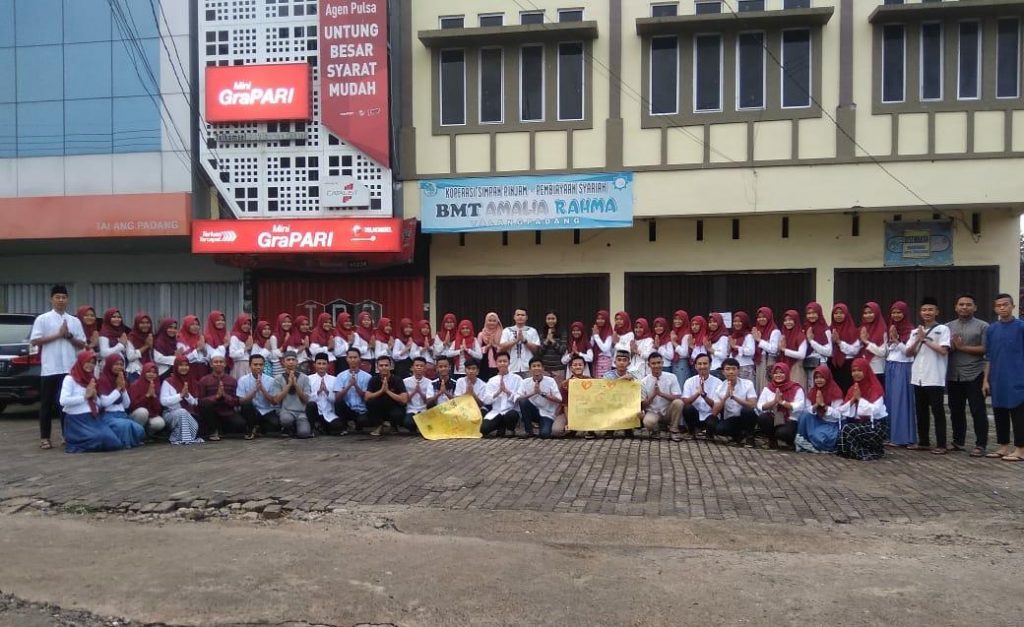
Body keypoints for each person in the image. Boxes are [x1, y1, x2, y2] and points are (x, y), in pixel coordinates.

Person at [30, 285, 87, 450]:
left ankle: (66, 435)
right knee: (46, 404)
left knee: (65, 405)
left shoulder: (74, 321)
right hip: (50, 368)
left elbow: (82, 344)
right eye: (57, 297)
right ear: (51, 299)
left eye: (63, 297)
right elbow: (35, 341)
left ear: (67, 300)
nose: (61, 300)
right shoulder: (43, 319)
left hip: (69, 369)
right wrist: (57, 335)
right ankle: (45, 438)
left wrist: (68, 336)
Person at [905, 297, 951, 454]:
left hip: (934, 376)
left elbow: (943, 350)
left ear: (937, 311)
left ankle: (941, 444)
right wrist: (917, 340)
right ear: (920, 312)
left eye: (930, 309)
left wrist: (924, 340)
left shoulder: (943, 329)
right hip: (918, 376)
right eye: (924, 310)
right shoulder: (914, 332)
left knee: (938, 412)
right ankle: (924, 442)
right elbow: (908, 352)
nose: (927, 312)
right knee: (921, 411)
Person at [945, 294, 989, 456]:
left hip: (974, 373)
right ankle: (958, 441)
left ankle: (981, 444)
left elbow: (985, 349)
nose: (964, 307)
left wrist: (962, 347)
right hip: (953, 374)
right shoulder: (947, 327)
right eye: (961, 304)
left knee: (977, 410)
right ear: (956, 307)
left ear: (975, 307)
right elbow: (944, 348)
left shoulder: (983, 326)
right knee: (956, 410)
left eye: (968, 304)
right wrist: (950, 346)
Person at [982, 294, 1024, 462]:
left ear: (1013, 306)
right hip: (997, 377)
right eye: (998, 305)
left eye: (1005, 304)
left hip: (1018, 376)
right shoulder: (992, 329)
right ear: (995, 308)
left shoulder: (1021, 327)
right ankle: (1004, 446)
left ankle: (1020, 449)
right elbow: (989, 357)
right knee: (1000, 411)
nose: (1002, 308)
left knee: (1018, 413)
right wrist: (985, 380)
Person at [59, 351, 123, 453]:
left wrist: (95, 397)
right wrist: (85, 397)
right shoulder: (70, 379)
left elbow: (99, 404)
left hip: (93, 418)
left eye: (93, 363)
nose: (90, 365)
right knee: (99, 438)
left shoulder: (92, 379)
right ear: (81, 362)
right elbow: (63, 401)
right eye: (87, 362)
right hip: (77, 420)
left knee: (113, 442)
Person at [836, 358, 888, 461]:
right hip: (861, 424)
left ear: (866, 371)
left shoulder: (875, 387)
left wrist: (860, 399)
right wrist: (853, 400)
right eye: (853, 371)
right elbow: (842, 410)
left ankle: (865, 452)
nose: (856, 373)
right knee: (845, 429)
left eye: (860, 370)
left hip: (876, 425)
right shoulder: (853, 389)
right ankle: (860, 451)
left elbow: (875, 410)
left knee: (849, 429)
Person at [884, 301, 917, 448]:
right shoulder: (891, 328)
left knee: (901, 402)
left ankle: (902, 437)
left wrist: (897, 341)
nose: (896, 315)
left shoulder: (911, 331)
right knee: (891, 402)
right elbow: (887, 352)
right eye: (893, 312)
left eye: (899, 312)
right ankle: (891, 435)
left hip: (903, 367)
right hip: (890, 365)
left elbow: (908, 352)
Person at [95, 355, 145, 449]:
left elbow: (126, 405)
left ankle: (128, 441)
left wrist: (123, 389)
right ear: (109, 365)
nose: (119, 367)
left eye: (121, 364)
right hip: (108, 416)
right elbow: (105, 403)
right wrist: (118, 388)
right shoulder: (103, 380)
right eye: (116, 364)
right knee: (124, 426)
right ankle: (124, 444)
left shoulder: (121, 379)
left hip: (122, 415)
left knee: (139, 429)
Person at [708, 357, 759, 446]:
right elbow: (714, 412)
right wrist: (725, 397)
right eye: (728, 369)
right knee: (720, 429)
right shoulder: (720, 388)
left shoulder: (748, 384)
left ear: (738, 371)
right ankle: (738, 435)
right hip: (732, 418)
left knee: (747, 411)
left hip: (747, 417)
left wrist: (734, 397)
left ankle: (750, 437)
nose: (731, 372)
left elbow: (752, 404)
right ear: (723, 372)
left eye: (733, 369)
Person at [794, 365, 845, 453]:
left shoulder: (835, 391)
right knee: (805, 415)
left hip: (831, 424)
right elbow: (807, 409)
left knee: (821, 438)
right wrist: (816, 405)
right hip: (817, 421)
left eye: (822, 377)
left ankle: (811, 443)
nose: (819, 380)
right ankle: (804, 441)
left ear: (827, 378)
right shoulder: (813, 391)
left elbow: (839, 415)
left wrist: (824, 406)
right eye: (816, 378)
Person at [755, 363, 805, 450]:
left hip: (790, 419)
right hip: (774, 417)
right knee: (763, 418)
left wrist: (783, 402)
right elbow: (760, 405)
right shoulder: (768, 388)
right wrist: (774, 402)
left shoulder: (796, 388)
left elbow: (800, 406)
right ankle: (772, 440)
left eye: (781, 372)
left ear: (787, 373)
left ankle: (790, 442)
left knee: (782, 433)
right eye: (776, 373)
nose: (778, 375)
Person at [196, 354, 244, 441]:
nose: (218, 364)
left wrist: (224, 396)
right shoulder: (204, 380)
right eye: (216, 362)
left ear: (225, 364)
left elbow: (236, 401)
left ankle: (222, 430)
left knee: (240, 424)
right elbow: (200, 401)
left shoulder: (232, 380)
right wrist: (216, 397)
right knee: (205, 404)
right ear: (211, 364)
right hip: (210, 414)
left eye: (221, 362)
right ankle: (213, 431)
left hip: (227, 413)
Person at [159, 355, 203, 445]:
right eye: (181, 365)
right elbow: (163, 401)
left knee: (194, 425)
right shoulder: (168, 381)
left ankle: (181, 436)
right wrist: (180, 395)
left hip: (189, 413)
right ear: (176, 366)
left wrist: (187, 396)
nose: (184, 368)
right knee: (181, 412)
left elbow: (195, 402)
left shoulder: (192, 382)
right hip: (170, 414)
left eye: (186, 365)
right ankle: (183, 438)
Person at [516, 357, 563, 439]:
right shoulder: (525, 382)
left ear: (543, 368)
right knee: (523, 402)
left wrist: (542, 394)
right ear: (530, 369)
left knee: (544, 434)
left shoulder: (550, 381)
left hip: (547, 413)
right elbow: (517, 398)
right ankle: (528, 431)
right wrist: (533, 393)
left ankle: (544, 425)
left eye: (538, 366)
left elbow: (559, 399)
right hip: (534, 412)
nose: (536, 368)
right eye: (534, 366)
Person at [640, 353, 683, 441]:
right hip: (653, 412)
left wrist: (661, 394)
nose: (656, 366)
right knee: (648, 422)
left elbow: (678, 397)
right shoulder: (644, 382)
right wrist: (653, 395)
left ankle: (674, 430)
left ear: (663, 363)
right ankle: (655, 430)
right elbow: (643, 405)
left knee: (679, 403)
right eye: (653, 363)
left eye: (659, 363)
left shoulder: (671, 377)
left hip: (668, 412)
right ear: (649, 365)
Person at [236, 354, 279, 439]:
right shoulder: (243, 380)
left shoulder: (271, 380)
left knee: (276, 424)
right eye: (255, 365)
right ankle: (251, 429)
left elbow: (274, 402)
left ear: (264, 366)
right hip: (250, 411)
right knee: (246, 406)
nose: (258, 367)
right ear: (250, 366)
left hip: (266, 411)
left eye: (261, 365)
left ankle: (259, 428)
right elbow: (241, 401)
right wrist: (255, 390)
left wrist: (262, 389)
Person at [365, 355, 408, 437]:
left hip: (393, 407)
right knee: (369, 403)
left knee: (398, 413)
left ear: (391, 367)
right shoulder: (374, 380)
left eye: (386, 365)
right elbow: (367, 397)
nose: (384, 367)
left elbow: (404, 400)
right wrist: (381, 391)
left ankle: (394, 426)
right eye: (381, 365)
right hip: (379, 408)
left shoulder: (397, 380)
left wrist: (387, 391)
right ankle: (379, 425)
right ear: (377, 367)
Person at [681, 355, 722, 439]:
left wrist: (704, 395)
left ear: (710, 365)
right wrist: (697, 394)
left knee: (712, 422)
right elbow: (685, 402)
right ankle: (692, 431)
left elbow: (717, 406)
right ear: (695, 366)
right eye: (699, 364)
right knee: (687, 408)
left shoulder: (718, 382)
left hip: (710, 415)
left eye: (705, 363)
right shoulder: (689, 381)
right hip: (695, 416)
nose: (702, 366)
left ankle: (708, 433)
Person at [272, 351, 312, 438]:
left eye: (293, 360)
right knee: (286, 420)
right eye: (288, 360)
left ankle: (296, 428)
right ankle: (288, 428)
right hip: (286, 411)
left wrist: (296, 385)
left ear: (297, 362)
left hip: (301, 412)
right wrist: (289, 385)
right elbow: (276, 400)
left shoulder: (304, 378)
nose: (291, 362)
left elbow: (306, 399)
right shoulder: (278, 378)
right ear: (283, 362)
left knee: (304, 433)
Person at [333, 348, 373, 433]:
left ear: (359, 359)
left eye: (355, 357)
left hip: (361, 410)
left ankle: (357, 423)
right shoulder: (340, 376)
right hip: (347, 409)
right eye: (350, 357)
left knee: (362, 421)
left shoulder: (367, 377)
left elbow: (366, 397)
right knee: (338, 403)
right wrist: (349, 386)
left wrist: (356, 385)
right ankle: (344, 425)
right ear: (346, 359)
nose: (353, 360)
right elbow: (337, 398)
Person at [481, 352, 520, 437]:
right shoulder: (492, 380)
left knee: (512, 415)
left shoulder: (517, 379)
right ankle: (501, 426)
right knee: (484, 429)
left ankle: (510, 429)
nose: (502, 363)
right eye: (500, 361)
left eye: (505, 361)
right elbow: (486, 400)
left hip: (510, 411)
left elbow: (519, 398)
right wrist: (498, 392)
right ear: (496, 363)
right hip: (496, 412)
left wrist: (507, 391)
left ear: (509, 362)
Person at [306, 353, 344, 435]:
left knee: (338, 427)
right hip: (315, 413)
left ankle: (323, 427)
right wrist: (318, 391)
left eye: (324, 364)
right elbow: (306, 399)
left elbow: (335, 400)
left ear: (328, 365)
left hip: (329, 413)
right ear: (314, 365)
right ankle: (312, 429)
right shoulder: (308, 379)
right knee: (311, 405)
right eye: (319, 364)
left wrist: (326, 391)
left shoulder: (334, 380)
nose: (321, 366)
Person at [602, 349, 638, 438]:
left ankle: (628, 428)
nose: (621, 363)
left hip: (626, 402)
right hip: (611, 401)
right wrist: (622, 379)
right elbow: (606, 390)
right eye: (619, 360)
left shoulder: (633, 376)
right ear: (615, 362)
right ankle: (610, 429)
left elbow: (635, 394)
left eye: (624, 360)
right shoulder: (608, 375)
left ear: (629, 363)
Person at [127, 362, 167, 437]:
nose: (151, 374)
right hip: (136, 415)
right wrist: (147, 396)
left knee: (160, 423)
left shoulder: (157, 385)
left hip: (151, 415)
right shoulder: (135, 385)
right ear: (143, 372)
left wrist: (154, 397)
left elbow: (158, 410)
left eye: (154, 373)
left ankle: (146, 435)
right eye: (148, 372)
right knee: (143, 412)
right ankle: (136, 434)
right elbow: (132, 406)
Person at [829, 303, 861, 393]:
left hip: (847, 365)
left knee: (847, 391)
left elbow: (854, 351)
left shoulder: (853, 330)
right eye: (836, 313)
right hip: (832, 364)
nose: (838, 315)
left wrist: (839, 342)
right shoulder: (829, 329)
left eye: (841, 313)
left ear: (846, 314)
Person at [499, 309, 541, 377]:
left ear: (526, 317)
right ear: (514, 317)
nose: (520, 317)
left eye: (522, 315)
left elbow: (536, 349)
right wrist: (516, 340)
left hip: (528, 367)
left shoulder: (532, 331)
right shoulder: (507, 330)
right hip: (511, 367)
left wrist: (524, 341)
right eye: (518, 315)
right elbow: (502, 347)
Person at [556, 354, 589, 438]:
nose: (578, 367)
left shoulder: (590, 381)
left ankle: (590, 430)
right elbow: (565, 405)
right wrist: (569, 422)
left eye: (580, 365)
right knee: (556, 431)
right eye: (575, 365)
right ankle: (573, 428)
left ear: (584, 367)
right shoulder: (565, 384)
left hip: (586, 411)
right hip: (570, 412)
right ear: (571, 368)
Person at [802, 302, 833, 390]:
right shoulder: (804, 328)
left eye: (814, 313)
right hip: (805, 365)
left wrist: (811, 341)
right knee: (808, 390)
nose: (811, 316)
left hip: (820, 365)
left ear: (819, 313)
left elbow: (829, 352)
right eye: (809, 313)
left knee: (820, 390)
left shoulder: (825, 330)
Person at [178, 314, 214, 387]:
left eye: (197, 324)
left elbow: (208, 358)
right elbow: (184, 359)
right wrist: (198, 349)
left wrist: (203, 350)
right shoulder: (181, 340)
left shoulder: (201, 338)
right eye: (192, 324)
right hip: (189, 370)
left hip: (203, 370)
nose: (195, 327)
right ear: (186, 325)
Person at [858, 302, 888, 387]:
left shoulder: (882, 329)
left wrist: (866, 341)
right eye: (865, 313)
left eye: (870, 312)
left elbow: (882, 352)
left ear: (877, 313)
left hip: (877, 369)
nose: (868, 315)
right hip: (862, 369)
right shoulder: (862, 329)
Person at [402, 357, 434, 433]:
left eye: (421, 366)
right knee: (408, 423)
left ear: (425, 368)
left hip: (423, 409)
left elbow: (428, 401)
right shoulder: (405, 381)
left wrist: (420, 392)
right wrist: (414, 392)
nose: (419, 367)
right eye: (417, 365)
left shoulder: (429, 382)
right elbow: (404, 400)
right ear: (412, 368)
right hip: (411, 409)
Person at [752, 307, 780, 393]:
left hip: (769, 362)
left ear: (769, 317)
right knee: (759, 387)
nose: (761, 319)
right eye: (759, 317)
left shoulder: (774, 331)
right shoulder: (758, 330)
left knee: (767, 387)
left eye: (764, 317)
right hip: (759, 362)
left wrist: (759, 340)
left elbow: (773, 349)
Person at [778, 310, 807, 387]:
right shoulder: (783, 335)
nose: (788, 322)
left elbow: (802, 355)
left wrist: (784, 350)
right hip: (784, 368)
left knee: (795, 390)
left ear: (796, 321)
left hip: (796, 367)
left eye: (790, 320)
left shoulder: (800, 336)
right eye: (785, 320)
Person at [124, 313, 154, 382]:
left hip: (149, 372)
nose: (145, 325)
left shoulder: (151, 336)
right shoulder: (131, 338)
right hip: (135, 371)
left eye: (147, 323)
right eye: (142, 323)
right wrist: (146, 346)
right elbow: (130, 357)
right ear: (137, 324)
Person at [668, 310, 692, 394]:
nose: (677, 321)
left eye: (680, 319)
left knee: (680, 388)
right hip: (675, 363)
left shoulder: (686, 334)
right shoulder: (675, 332)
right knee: (675, 389)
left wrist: (674, 342)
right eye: (675, 319)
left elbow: (684, 353)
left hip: (682, 364)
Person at [537, 311, 566, 381]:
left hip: (558, 369)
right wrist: (547, 340)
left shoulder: (562, 332)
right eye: (548, 319)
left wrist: (552, 341)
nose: (551, 321)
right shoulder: (542, 333)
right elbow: (539, 351)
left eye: (553, 319)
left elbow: (562, 350)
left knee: (558, 388)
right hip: (545, 369)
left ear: (557, 319)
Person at [728, 311, 755, 382]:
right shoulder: (733, 336)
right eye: (735, 321)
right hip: (734, 367)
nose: (737, 323)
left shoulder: (748, 336)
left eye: (740, 321)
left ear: (744, 322)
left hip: (745, 367)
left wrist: (736, 347)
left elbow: (751, 351)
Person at [477, 312, 503, 381]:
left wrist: (494, 345)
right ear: (486, 321)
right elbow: (478, 351)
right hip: (484, 364)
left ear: (497, 322)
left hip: (499, 364)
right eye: (490, 320)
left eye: (494, 321)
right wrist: (488, 346)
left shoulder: (501, 334)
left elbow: (504, 349)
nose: (492, 323)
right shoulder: (481, 334)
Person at [228, 314, 254, 380]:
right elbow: (232, 354)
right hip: (239, 365)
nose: (247, 326)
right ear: (239, 324)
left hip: (248, 365)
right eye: (244, 324)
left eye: (248, 324)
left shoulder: (248, 336)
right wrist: (246, 348)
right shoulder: (234, 337)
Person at [591, 309, 614, 379]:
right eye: (598, 319)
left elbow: (605, 349)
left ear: (606, 320)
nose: (599, 321)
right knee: (596, 382)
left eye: (602, 319)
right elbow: (591, 345)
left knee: (604, 382)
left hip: (604, 360)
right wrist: (593, 336)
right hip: (596, 359)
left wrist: (596, 336)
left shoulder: (609, 333)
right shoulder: (597, 330)